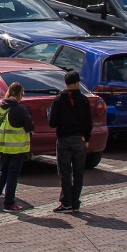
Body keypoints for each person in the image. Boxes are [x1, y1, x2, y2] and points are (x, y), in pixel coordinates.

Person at [48, 70, 95, 213]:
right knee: (79, 172)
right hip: (79, 139)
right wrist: (86, 138)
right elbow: (89, 122)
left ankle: (66, 201)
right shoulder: (84, 100)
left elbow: (52, 123)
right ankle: (75, 202)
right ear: (76, 84)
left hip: (63, 139)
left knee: (65, 172)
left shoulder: (58, 99)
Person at [0, 82, 33, 211]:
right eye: (22, 94)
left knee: (3, 173)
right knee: (12, 176)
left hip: (2, 146)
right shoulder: (19, 109)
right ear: (18, 94)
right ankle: (9, 203)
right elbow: (30, 126)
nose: (22, 97)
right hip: (16, 148)